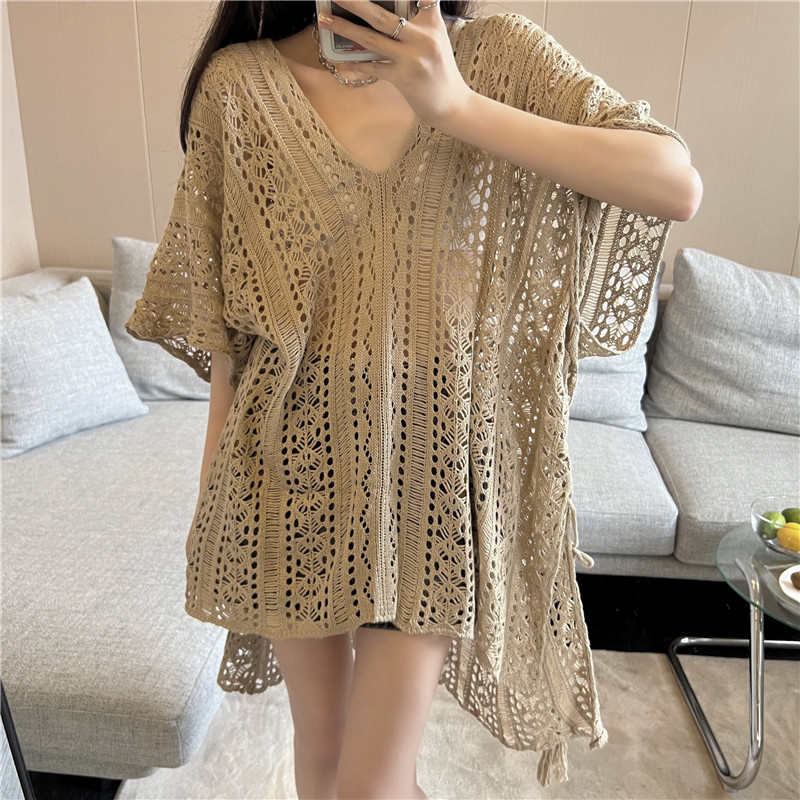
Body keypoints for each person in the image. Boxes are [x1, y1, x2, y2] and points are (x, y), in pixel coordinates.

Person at [125, 1, 702, 798]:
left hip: (432, 486)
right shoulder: (240, 86)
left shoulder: (497, 56)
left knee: (369, 784)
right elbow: (231, 337)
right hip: (286, 481)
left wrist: (456, 105)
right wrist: (207, 503)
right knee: (323, 760)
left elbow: (674, 183)